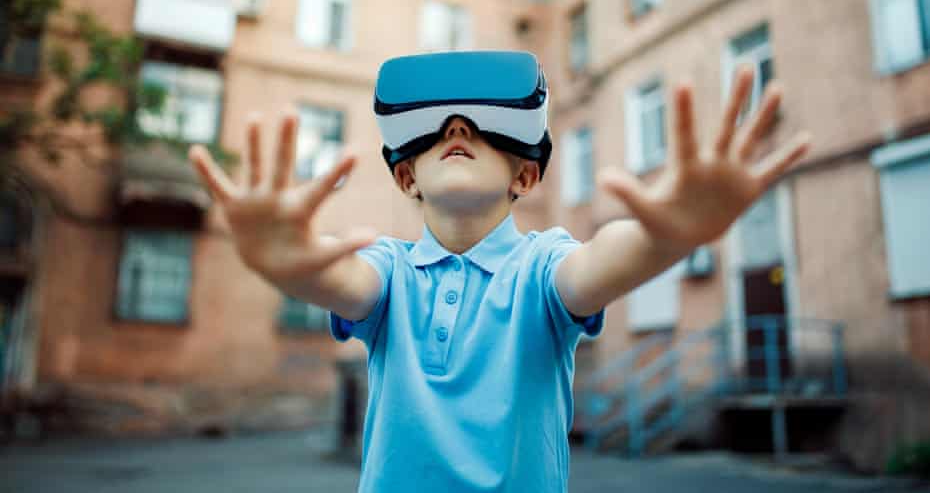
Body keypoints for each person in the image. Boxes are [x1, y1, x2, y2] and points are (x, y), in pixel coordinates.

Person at [188, 51, 811, 493]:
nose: (457, 128)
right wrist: (286, 265)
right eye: (434, 132)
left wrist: (666, 236)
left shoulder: (542, 269)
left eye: (482, 127)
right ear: (407, 178)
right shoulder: (391, 273)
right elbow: (341, 281)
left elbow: (597, 264)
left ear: (525, 177)